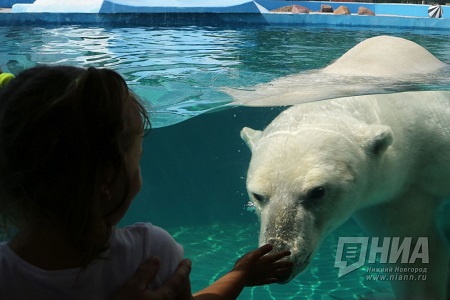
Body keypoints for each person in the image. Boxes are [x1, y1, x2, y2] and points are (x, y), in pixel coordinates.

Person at [0, 65, 293, 299]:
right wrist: (240, 275)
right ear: (107, 178)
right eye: (136, 159)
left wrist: (239, 274)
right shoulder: (148, 253)